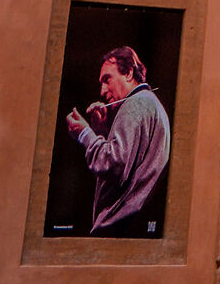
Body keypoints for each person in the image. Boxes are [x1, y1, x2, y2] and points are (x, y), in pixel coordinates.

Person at [64, 46, 171, 234]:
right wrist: (102, 132)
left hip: (118, 227)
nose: (103, 91)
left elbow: (113, 164)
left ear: (129, 73)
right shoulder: (151, 103)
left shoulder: (134, 104)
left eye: (107, 79)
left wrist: (85, 134)